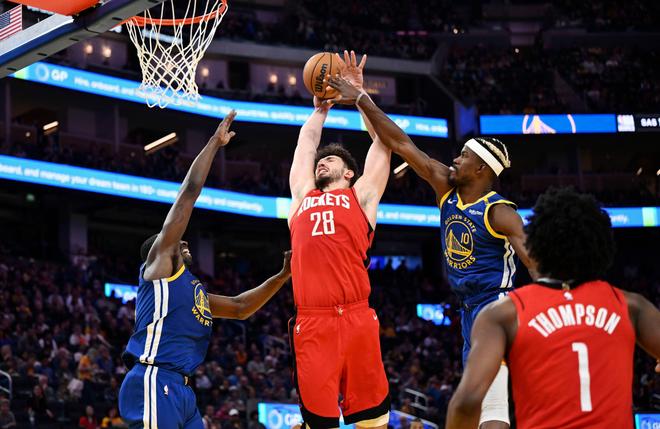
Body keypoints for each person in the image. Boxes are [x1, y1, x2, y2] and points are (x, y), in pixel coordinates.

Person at [326, 57, 536, 429]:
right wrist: (360, 97)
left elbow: (535, 263)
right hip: (469, 309)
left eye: (464, 156)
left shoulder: (500, 212)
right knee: (477, 406)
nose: (455, 159)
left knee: (488, 403)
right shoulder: (446, 188)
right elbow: (400, 142)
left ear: (481, 169)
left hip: (496, 306)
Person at [118, 111, 293, 429]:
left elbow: (240, 307)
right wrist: (214, 142)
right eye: (174, 241)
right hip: (154, 376)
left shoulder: (193, 290)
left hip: (183, 389)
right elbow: (188, 194)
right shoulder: (158, 268)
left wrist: (281, 277)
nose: (182, 241)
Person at [445, 187, 660, 428]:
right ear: (600, 246)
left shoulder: (505, 313)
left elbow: (466, 404)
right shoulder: (631, 306)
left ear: (537, 246)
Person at [288, 52, 392, 429]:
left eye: (331, 160)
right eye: (322, 160)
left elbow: (384, 142)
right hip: (313, 320)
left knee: (373, 421)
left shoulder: (361, 196)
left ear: (349, 173)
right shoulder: (302, 196)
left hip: (357, 315)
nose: (322, 161)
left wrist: (361, 97)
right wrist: (321, 109)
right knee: (320, 423)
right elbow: (305, 143)